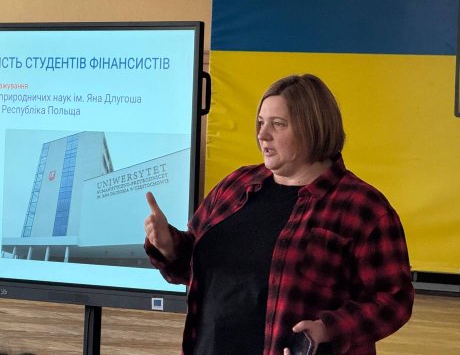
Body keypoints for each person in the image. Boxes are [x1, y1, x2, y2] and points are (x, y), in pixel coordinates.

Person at [144, 74, 414, 355]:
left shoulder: (363, 206)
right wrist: (169, 246)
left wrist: (327, 329)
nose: (262, 135)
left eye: (278, 124)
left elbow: (394, 300)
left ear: (313, 128)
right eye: (261, 123)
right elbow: (196, 269)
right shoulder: (235, 185)